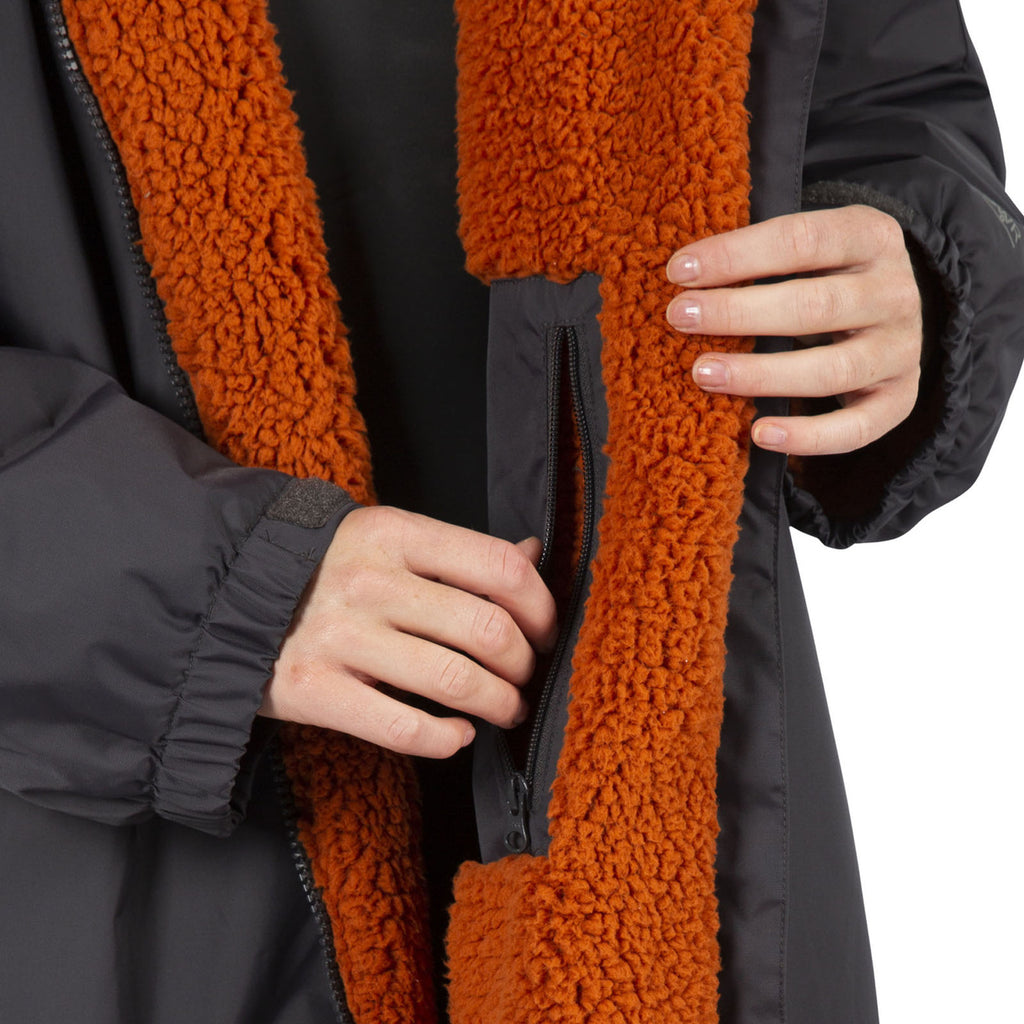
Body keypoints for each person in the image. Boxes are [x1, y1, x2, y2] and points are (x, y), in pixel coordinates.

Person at [1, 1, 1020, 1023]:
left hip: (676, 798)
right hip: (148, 834)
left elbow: (887, 98)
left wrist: (906, 273)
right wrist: (204, 580)